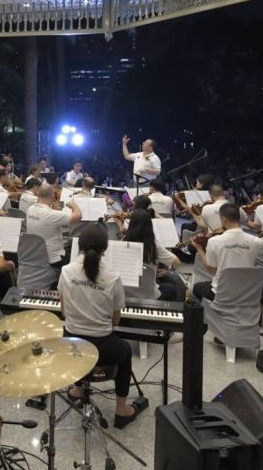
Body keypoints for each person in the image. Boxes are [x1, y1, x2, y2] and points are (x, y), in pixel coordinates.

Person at [59, 223, 148, 429]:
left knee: (75, 342)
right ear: (105, 249)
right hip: (102, 348)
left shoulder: (66, 271)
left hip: (72, 342)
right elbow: (115, 320)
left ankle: (78, 389)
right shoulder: (113, 277)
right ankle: (121, 410)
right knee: (125, 351)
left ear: (79, 246)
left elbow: (64, 311)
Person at [190, 203, 263, 301]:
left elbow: (212, 269)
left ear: (224, 220)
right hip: (246, 293)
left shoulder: (214, 241)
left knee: (197, 287)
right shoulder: (256, 241)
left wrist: (199, 248)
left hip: (221, 293)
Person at [123, 209, 182, 300]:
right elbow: (177, 263)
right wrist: (166, 271)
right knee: (172, 287)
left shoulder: (122, 242)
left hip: (125, 293)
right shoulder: (154, 246)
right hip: (148, 295)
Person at [26, 184, 81, 269]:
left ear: (38, 194)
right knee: (77, 253)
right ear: (52, 196)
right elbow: (78, 216)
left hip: (36, 253)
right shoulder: (51, 214)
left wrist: (54, 208)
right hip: (54, 259)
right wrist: (73, 204)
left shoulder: (30, 209)